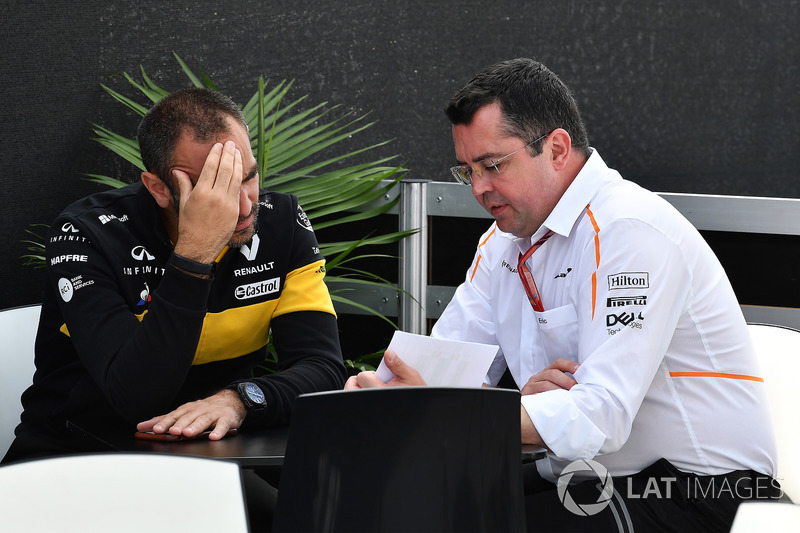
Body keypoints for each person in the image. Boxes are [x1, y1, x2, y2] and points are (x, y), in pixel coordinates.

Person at [346, 58, 781, 531]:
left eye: (492, 165)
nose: (479, 188)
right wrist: (379, 397)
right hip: (586, 476)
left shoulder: (627, 230)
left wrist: (452, 413)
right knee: (396, 502)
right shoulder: (502, 244)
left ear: (555, 148)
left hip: (701, 489)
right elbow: (445, 372)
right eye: (467, 171)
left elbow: (600, 415)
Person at [3, 88, 346, 463]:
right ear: (158, 188)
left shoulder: (282, 224)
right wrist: (195, 253)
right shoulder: (88, 233)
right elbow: (136, 396)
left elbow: (323, 369)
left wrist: (240, 399)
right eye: (214, 188)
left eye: (247, 176)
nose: (245, 206)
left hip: (211, 461)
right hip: (76, 457)